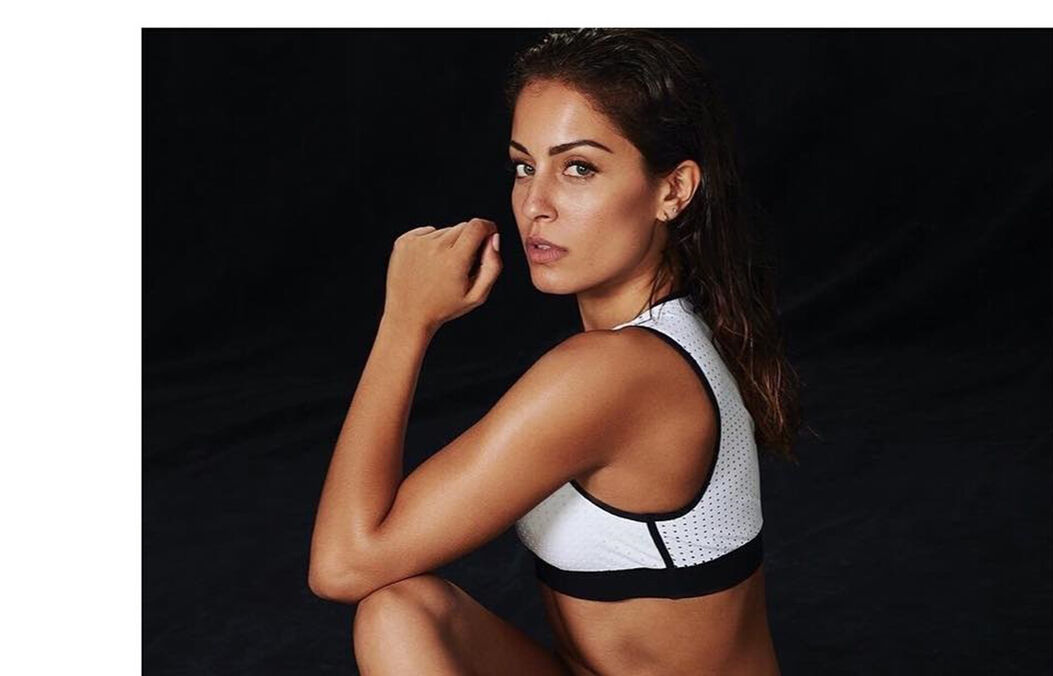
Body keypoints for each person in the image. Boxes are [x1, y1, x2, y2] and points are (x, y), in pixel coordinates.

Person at [309, 28, 805, 674]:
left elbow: (344, 563)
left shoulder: (616, 372)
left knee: (386, 604)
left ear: (673, 191)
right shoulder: (674, 332)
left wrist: (404, 321)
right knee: (403, 609)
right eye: (524, 166)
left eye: (579, 168)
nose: (535, 205)